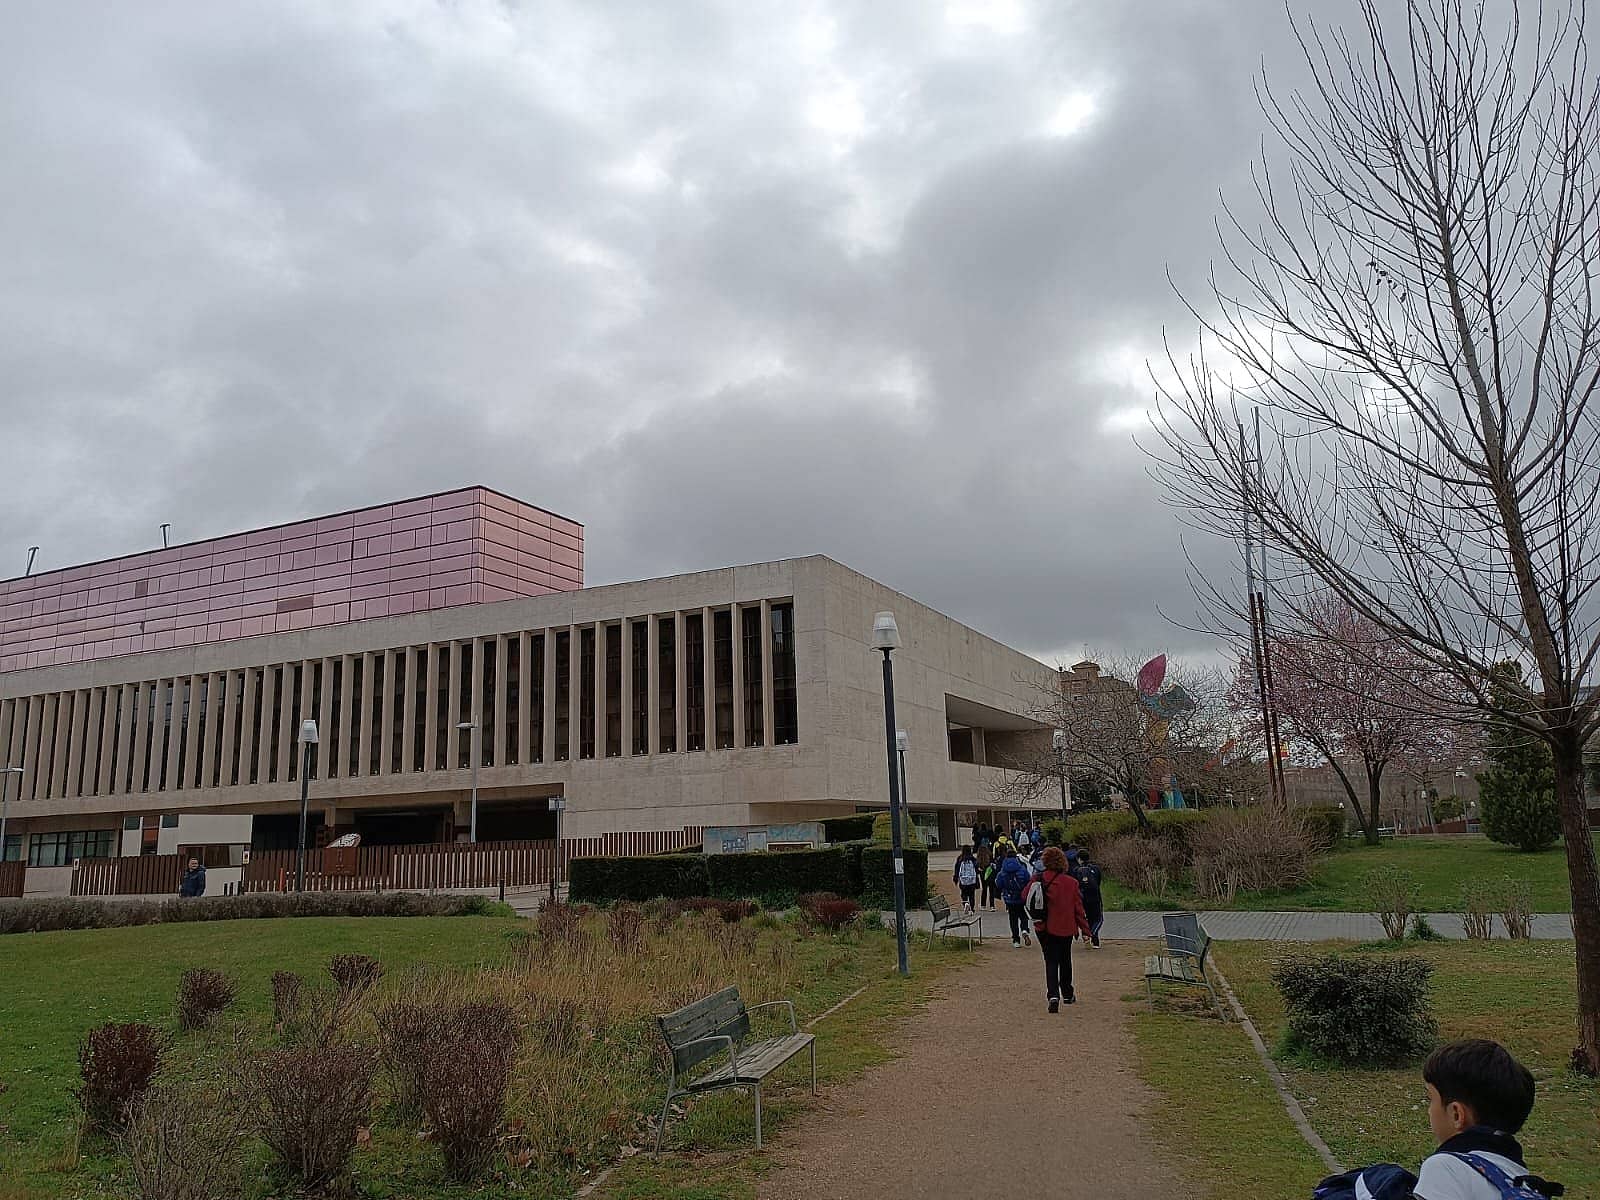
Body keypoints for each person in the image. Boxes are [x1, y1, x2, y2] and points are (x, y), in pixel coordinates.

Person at [1414, 1039, 1559, 1200]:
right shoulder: (1519, 1178)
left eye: (1431, 1099)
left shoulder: (1446, 1168)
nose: (1429, 1110)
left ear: (1456, 1114)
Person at [1027, 846, 1091, 1013]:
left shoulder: (1038, 879)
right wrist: (1085, 930)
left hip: (1045, 927)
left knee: (1050, 961)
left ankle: (1053, 995)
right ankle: (1067, 993)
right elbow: (1078, 909)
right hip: (1066, 927)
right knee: (1065, 960)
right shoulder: (1071, 883)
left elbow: (1025, 896)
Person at [995, 847, 1033, 948]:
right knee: (1023, 915)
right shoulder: (1021, 868)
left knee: (1013, 919)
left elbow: (998, 884)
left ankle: (1016, 940)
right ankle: (1024, 930)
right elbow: (1028, 880)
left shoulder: (1003, 870)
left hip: (1009, 898)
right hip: (1020, 897)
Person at [1073, 849, 1105, 948]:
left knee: (1086, 918)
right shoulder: (1095, 869)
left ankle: (1086, 934)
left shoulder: (1076, 870)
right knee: (1097, 918)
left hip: (1082, 897)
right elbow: (1098, 882)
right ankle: (1094, 937)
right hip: (1095, 897)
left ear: (1079, 859)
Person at [953, 846, 980, 913]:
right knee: (972, 895)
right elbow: (977, 869)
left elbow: (957, 869)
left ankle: (965, 903)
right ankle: (972, 908)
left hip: (963, 881)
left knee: (963, 894)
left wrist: (956, 878)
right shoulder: (973, 859)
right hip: (972, 881)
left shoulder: (960, 859)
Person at [975, 842, 996, 909]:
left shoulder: (979, 858)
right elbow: (993, 863)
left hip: (982, 873)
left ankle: (983, 905)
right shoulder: (990, 855)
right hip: (990, 872)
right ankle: (992, 906)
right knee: (991, 890)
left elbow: (977, 866)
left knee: (984, 889)